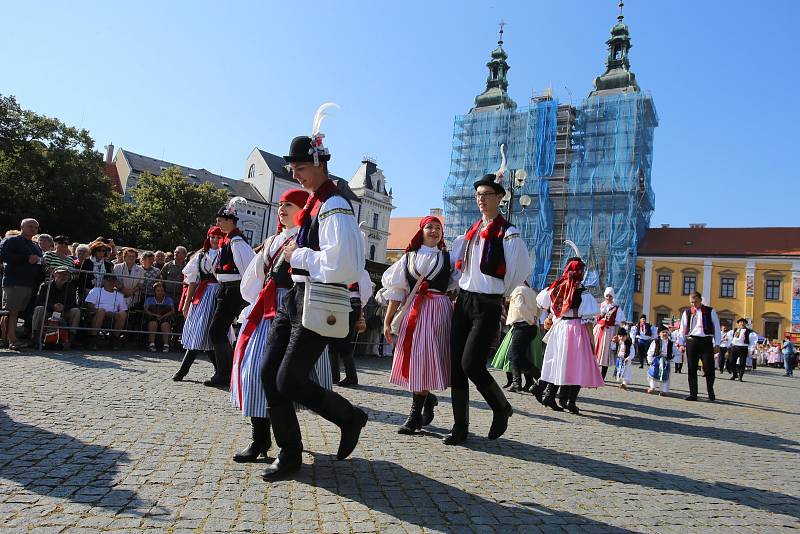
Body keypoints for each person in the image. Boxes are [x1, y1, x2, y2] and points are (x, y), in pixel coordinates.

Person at [259, 106, 368, 480]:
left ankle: (348, 417)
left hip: (318, 300)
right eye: (292, 167)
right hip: (296, 299)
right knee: (268, 374)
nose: (294, 173)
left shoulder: (335, 205)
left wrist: (298, 253)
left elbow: (345, 265)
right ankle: (289, 453)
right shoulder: (319, 204)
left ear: (319, 164)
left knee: (288, 379)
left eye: (300, 167)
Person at [230, 189, 332, 463]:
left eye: (289, 204)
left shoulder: (306, 239)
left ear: (303, 209)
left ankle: (289, 443)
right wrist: (253, 304)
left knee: (284, 377)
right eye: (281, 204)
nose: (282, 208)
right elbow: (253, 279)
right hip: (267, 311)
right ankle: (260, 439)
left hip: (293, 310)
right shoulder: (273, 240)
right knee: (253, 373)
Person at [444, 145, 532, 444]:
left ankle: (501, 406)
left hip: (487, 303)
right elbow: (460, 268)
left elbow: (519, 270)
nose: (481, 199)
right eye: (478, 195)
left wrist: (499, 294)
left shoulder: (508, 232)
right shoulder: (470, 232)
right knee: (456, 365)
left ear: (500, 198)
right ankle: (459, 427)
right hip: (464, 300)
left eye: (487, 195)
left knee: (471, 364)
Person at [382, 215, 458, 434]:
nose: (434, 231)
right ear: (421, 231)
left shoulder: (448, 258)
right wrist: (388, 322)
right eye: (429, 227)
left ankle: (415, 415)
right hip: (414, 310)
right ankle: (425, 401)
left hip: (439, 311)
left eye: (438, 228)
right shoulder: (408, 259)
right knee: (416, 359)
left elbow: (459, 281)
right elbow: (396, 293)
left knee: (426, 358)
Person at [536, 252, 604, 414]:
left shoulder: (556, 287)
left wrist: (551, 315)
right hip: (576, 329)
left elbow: (542, 300)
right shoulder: (583, 292)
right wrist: (592, 340)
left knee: (559, 362)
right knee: (578, 365)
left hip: (559, 328)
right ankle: (568, 401)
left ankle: (551, 395)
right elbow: (588, 319)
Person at [205, 197, 255, 387]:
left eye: (220, 219)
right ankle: (226, 371)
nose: (217, 223)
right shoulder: (229, 241)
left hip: (234, 291)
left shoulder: (237, 243)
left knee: (217, 330)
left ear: (230, 221)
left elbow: (248, 270)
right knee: (219, 331)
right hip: (227, 289)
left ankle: (224, 373)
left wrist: (246, 296)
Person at [173, 227, 223, 381]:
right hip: (202, 295)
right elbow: (192, 282)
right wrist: (187, 303)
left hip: (219, 294)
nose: (214, 240)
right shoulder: (201, 255)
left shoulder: (225, 254)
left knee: (210, 334)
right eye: (212, 237)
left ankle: (221, 371)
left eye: (218, 237)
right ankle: (185, 369)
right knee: (198, 331)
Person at [491, 283, 542, 394]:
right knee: (516, 356)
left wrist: (530, 319)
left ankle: (539, 377)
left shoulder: (517, 290)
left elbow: (520, 306)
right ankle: (517, 382)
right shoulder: (532, 292)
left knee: (514, 355)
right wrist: (535, 319)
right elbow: (539, 307)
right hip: (529, 327)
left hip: (522, 326)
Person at [0, 218, 43, 350]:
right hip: (14, 281)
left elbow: (39, 260)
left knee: (15, 311)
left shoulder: (35, 245)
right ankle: (12, 340)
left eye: (36, 227)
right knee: (11, 311)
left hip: (28, 283)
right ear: (22, 227)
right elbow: (3, 255)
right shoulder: (12, 240)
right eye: (30, 226)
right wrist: (26, 259)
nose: (33, 229)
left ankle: (7, 338)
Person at [329, 268, 372, 387]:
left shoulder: (359, 270)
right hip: (338, 302)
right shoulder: (339, 266)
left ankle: (350, 377)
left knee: (344, 340)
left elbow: (366, 291)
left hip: (351, 302)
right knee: (332, 341)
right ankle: (334, 376)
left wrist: (360, 307)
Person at [679, 291, 721, 402]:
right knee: (691, 368)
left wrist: (717, 343)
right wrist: (681, 343)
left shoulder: (710, 311)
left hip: (706, 341)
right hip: (691, 341)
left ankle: (710, 391)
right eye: (691, 302)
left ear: (700, 300)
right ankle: (693, 394)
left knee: (709, 368)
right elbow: (682, 329)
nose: (693, 304)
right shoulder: (687, 313)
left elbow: (717, 328)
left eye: (695, 301)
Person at [31, 266, 80, 348]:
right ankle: (35, 338)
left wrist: (63, 307)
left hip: (64, 313)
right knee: (39, 309)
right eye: (61, 274)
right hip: (48, 312)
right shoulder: (45, 285)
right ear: (54, 274)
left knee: (76, 311)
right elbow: (38, 302)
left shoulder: (71, 287)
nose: (63, 276)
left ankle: (70, 340)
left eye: (66, 274)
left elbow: (73, 304)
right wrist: (52, 306)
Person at [85, 274, 128, 350]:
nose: (111, 282)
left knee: (123, 314)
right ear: (104, 281)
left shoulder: (119, 295)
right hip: (97, 313)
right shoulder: (96, 290)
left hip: (113, 315)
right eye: (109, 280)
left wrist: (113, 314)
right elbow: (89, 304)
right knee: (101, 311)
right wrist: (101, 311)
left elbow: (123, 309)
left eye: (113, 280)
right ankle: (93, 339)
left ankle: (115, 338)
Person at [594, 287, 623, 380]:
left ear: (613, 296)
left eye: (610, 296)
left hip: (610, 331)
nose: (608, 297)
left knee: (605, 354)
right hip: (599, 330)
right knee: (595, 352)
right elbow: (595, 319)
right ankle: (593, 374)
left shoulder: (616, 308)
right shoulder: (600, 305)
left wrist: (616, 335)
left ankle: (602, 377)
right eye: (607, 295)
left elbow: (618, 323)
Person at [144, 282, 175, 352]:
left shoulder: (169, 300)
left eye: (162, 291)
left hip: (165, 317)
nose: (160, 292)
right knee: (153, 323)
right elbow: (146, 310)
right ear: (154, 291)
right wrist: (155, 315)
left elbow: (172, 311)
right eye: (158, 290)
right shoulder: (149, 299)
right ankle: (151, 344)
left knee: (165, 324)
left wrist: (163, 316)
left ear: (164, 292)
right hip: (152, 317)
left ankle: (166, 345)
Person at [646, 326, 674, 395]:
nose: (665, 334)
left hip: (665, 360)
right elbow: (651, 351)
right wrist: (650, 360)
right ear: (659, 334)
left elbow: (674, 351)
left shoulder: (671, 343)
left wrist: (673, 355)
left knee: (665, 374)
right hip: (656, 359)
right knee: (653, 372)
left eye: (666, 332)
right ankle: (652, 387)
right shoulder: (656, 341)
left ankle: (663, 390)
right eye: (663, 332)